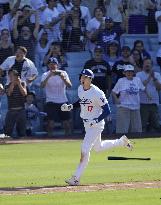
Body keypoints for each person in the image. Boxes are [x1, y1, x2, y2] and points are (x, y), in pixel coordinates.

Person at [61, 69, 133, 186]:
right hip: (87, 123)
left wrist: (96, 120)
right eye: (81, 76)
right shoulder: (80, 88)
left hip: (96, 125)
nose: (82, 79)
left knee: (85, 148)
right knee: (98, 148)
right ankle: (121, 142)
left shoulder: (97, 92)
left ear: (90, 79)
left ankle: (76, 178)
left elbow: (107, 110)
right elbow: (81, 101)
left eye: (84, 77)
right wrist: (70, 106)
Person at [41, 57, 72, 136]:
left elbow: (69, 86)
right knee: (50, 124)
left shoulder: (63, 73)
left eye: (54, 64)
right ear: (48, 65)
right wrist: (49, 76)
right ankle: (49, 140)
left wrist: (63, 78)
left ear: (57, 65)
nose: (52, 66)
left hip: (63, 100)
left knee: (67, 124)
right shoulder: (45, 74)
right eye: (50, 64)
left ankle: (68, 140)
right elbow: (42, 86)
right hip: (50, 101)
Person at [112, 64, 146, 134]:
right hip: (123, 107)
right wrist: (116, 100)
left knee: (137, 130)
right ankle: (121, 144)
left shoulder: (137, 80)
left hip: (136, 107)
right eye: (127, 72)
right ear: (124, 73)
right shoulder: (121, 80)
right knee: (122, 130)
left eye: (131, 71)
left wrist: (149, 96)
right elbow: (113, 92)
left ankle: (136, 144)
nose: (129, 73)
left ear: (133, 73)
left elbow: (143, 89)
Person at [136, 58, 161, 132]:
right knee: (143, 124)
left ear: (152, 65)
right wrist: (150, 77)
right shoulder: (138, 74)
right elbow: (141, 86)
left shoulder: (157, 74)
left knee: (155, 124)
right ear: (143, 65)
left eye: (149, 63)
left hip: (154, 103)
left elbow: (159, 87)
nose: (147, 65)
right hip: (143, 103)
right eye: (146, 63)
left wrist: (154, 78)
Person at [4, 69, 27, 138]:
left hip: (21, 110)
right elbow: (9, 93)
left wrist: (19, 84)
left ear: (17, 76)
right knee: (8, 133)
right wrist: (13, 84)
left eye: (12, 76)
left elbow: (24, 94)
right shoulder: (7, 85)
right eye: (9, 76)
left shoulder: (23, 84)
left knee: (22, 132)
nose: (10, 77)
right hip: (11, 111)